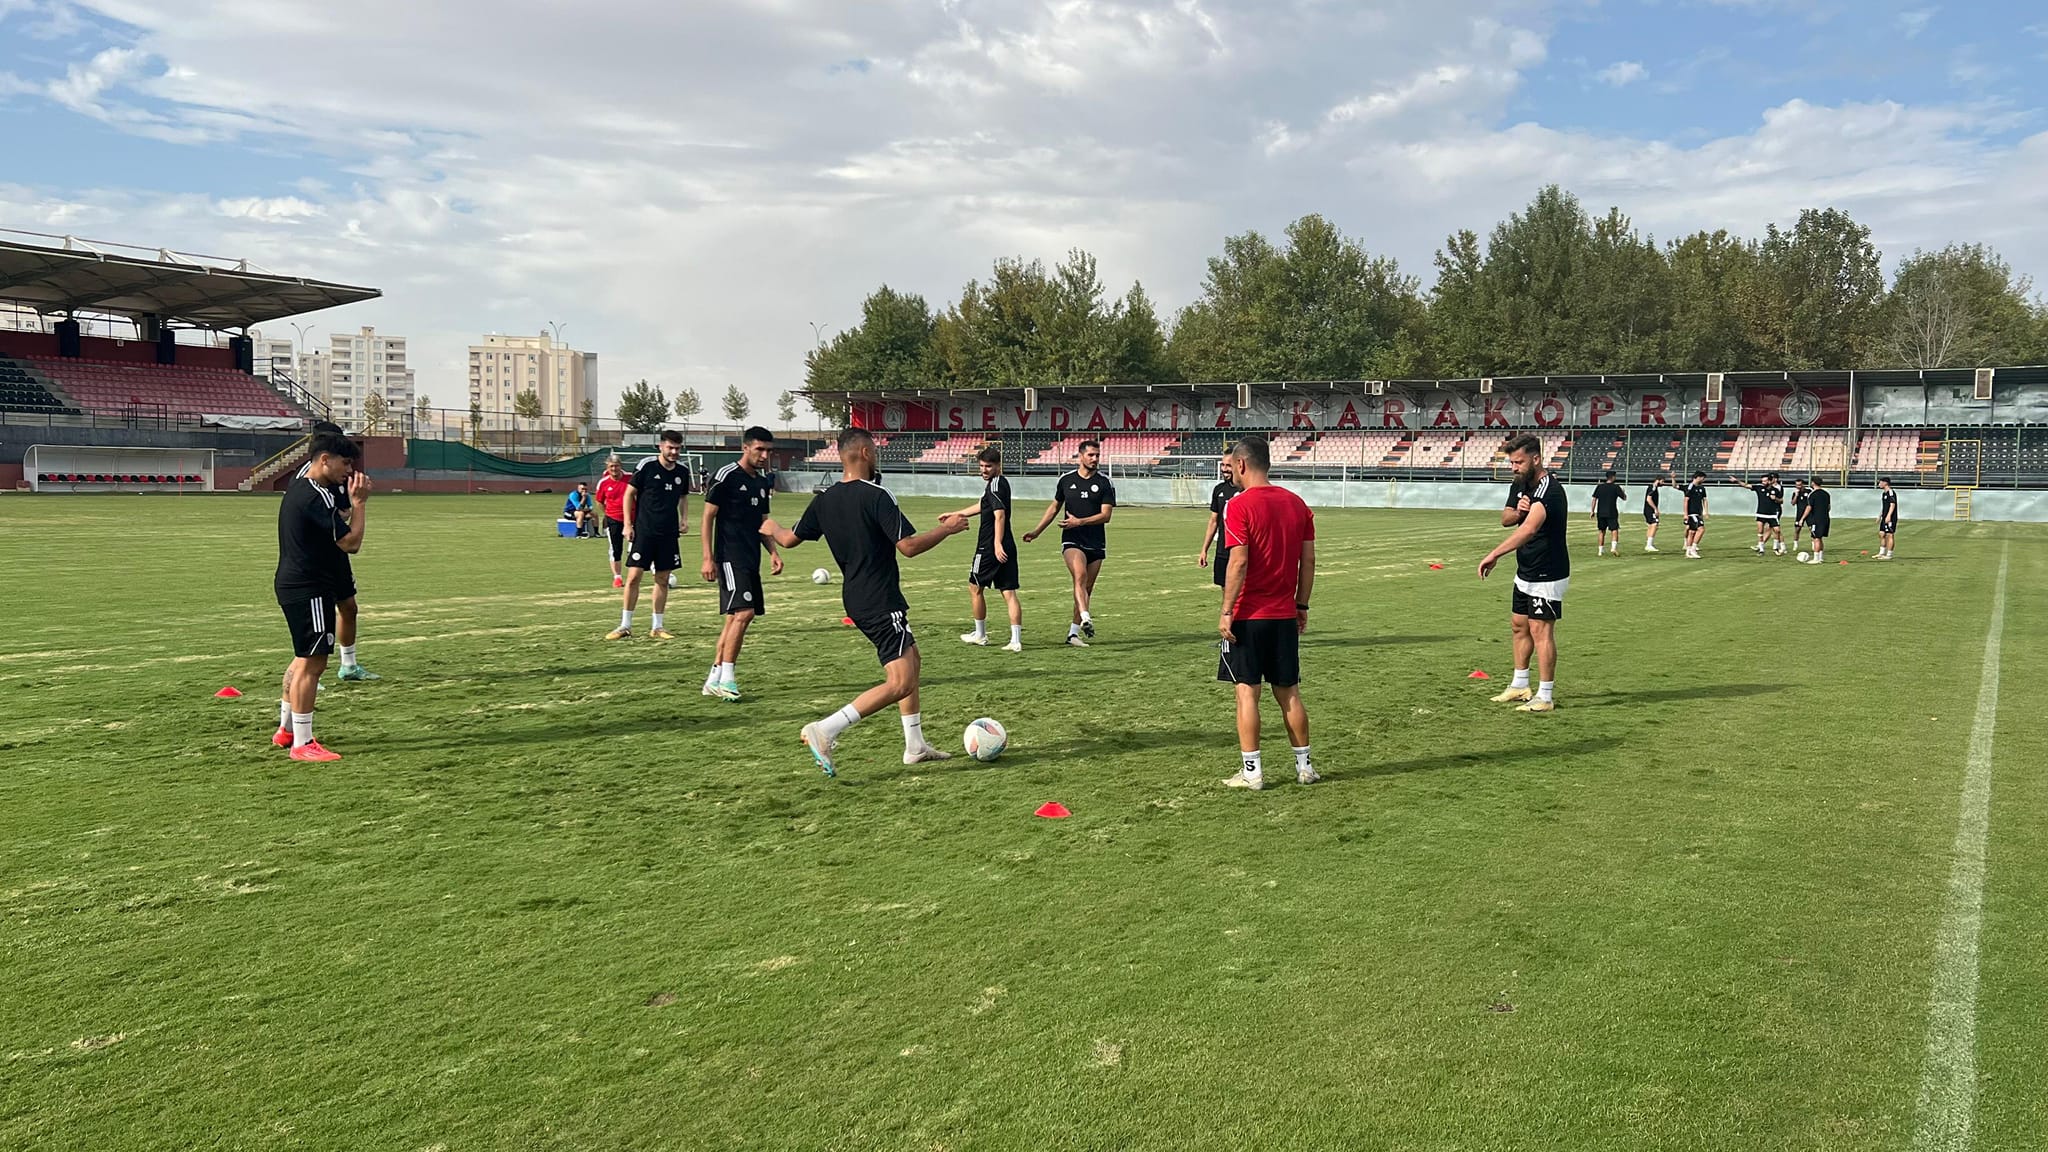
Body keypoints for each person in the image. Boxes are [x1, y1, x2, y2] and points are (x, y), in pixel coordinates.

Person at [760, 428, 970, 776]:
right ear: (866, 453)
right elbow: (909, 547)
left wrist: (771, 526)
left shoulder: (823, 499)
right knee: (900, 681)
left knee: (912, 660)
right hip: (879, 598)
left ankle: (915, 746)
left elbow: (791, 539)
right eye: (875, 450)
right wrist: (947, 529)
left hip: (857, 598)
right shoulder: (878, 496)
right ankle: (825, 730)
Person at [1214, 435, 1318, 791]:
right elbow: (1309, 562)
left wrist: (1226, 610)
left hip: (1248, 615)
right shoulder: (1297, 504)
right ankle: (1305, 766)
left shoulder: (1239, 506)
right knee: (1289, 692)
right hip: (1283, 615)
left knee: (1247, 692)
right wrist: (1300, 604)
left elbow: (1239, 561)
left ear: (1241, 465)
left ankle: (1252, 772)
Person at [271, 432, 368, 762]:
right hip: (308, 586)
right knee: (313, 664)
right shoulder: (316, 497)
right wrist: (359, 504)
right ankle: (303, 743)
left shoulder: (303, 488)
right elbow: (351, 543)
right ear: (324, 459)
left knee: (303, 658)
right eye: (345, 463)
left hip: (299, 583)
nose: (348, 470)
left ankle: (286, 730)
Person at [1478, 432, 1568, 713]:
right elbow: (1507, 519)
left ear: (1536, 459)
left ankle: (1545, 695)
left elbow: (1529, 531)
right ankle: (1519, 685)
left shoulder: (1548, 491)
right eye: (1511, 462)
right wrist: (1518, 511)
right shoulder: (1520, 485)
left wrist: (1494, 554)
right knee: (1519, 625)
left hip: (1548, 572)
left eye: (1518, 462)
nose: (1514, 467)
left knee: (1541, 630)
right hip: (1526, 569)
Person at [698, 427, 783, 700]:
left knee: (736, 619)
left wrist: (773, 553)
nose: (764, 455)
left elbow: (763, 523)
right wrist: (708, 558)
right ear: (745, 448)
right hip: (728, 557)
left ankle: (714, 677)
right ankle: (728, 679)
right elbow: (707, 518)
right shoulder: (725, 477)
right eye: (759, 449)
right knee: (743, 614)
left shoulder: (761, 482)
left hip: (751, 559)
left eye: (768, 450)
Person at [296, 420, 377, 681]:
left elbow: (342, 510)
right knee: (315, 619)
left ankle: (349, 665)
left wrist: (341, 514)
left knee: (349, 606)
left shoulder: (340, 475)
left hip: (336, 550)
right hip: (314, 558)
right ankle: (305, 674)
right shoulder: (306, 481)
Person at [1023, 439, 1115, 647]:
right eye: (1091, 455)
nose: (1095, 459)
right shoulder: (1066, 480)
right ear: (1080, 456)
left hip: (1097, 543)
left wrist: (1080, 521)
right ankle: (1085, 617)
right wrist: (1037, 531)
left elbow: (1106, 515)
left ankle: (1073, 634)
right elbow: (1054, 508)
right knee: (1079, 577)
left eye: (1097, 455)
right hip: (1072, 540)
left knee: (1087, 588)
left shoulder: (1104, 482)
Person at [606, 429, 690, 640]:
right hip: (644, 531)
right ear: (661, 446)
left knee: (662, 579)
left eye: (677, 448)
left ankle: (658, 626)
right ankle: (625, 625)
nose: (674, 452)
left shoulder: (682, 471)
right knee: (633, 577)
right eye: (670, 447)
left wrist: (684, 518)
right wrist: (627, 524)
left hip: (668, 533)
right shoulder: (646, 466)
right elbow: (629, 494)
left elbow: (683, 497)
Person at [947, 446, 1023, 652]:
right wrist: (957, 514)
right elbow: (983, 505)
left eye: (988, 466)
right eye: (981, 466)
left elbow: (999, 515)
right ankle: (1016, 641)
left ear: (998, 466)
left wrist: (996, 544)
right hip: (1006, 544)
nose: (984, 470)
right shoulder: (997, 484)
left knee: (975, 587)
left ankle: (980, 634)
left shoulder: (996, 484)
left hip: (989, 547)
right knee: (1008, 591)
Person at [1198, 454, 1239, 604]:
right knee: (1225, 590)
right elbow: (1213, 521)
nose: (1224, 469)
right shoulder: (1219, 490)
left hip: (1242, 550)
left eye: (1228, 465)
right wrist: (1204, 550)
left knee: (1244, 590)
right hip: (1223, 549)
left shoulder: (1247, 490)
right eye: (1223, 465)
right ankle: (1230, 620)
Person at [1730, 472, 1787, 555]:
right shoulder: (1759, 487)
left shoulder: (1775, 490)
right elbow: (1746, 485)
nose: (1763, 482)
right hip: (1761, 513)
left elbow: (1781, 501)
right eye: (1762, 481)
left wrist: (1776, 499)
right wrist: (1736, 481)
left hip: (1772, 514)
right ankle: (1761, 549)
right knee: (1760, 531)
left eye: (1765, 481)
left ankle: (1775, 548)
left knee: (1777, 530)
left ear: (1770, 481)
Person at [595, 456, 630, 587]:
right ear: (607, 468)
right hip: (614, 519)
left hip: (633, 519)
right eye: (611, 466)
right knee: (616, 548)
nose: (614, 469)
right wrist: (609, 514)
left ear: (621, 466)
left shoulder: (630, 479)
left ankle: (654, 571)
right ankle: (617, 577)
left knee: (640, 546)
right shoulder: (603, 483)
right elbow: (599, 501)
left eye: (616, 466)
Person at [1589, 470, 1626, 557]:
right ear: (1613, 477)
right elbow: (1624, 498)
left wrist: (1592, 511)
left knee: (1601, 531)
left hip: (1601, 512)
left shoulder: (1600, 487)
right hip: (1611, 512)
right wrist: (1623, 492)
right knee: (1614, 530)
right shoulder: (1616, 487)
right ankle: (1613, 547)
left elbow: (1594, 499)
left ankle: (1600, 551)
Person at [1798, 475, 1833, 564]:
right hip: (1825, 518)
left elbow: (1809, 507)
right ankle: (1820, 558)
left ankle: (1816, 558)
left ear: (1813, 483)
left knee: (1816, 538)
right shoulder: (1826, 494)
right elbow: (1829, 507)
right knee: (1820, 538)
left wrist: (1802, 518)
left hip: (1816, 519)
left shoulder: (1812, 494)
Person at [1682, 470, 1709, 559]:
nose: (1703, 480)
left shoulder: (1702, 488)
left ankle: (1688, 552)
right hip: (1692, 513)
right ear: (1699, 477)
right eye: (1703, 478)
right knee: (1701, 529)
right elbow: (1686, 500)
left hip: (1698, 513)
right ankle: (1693, 549)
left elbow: (1704, 500)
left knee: (1692, 532)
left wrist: (1705, 511)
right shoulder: (1690, 487)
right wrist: (1686, 514)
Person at [1642, 475, 1667, 553]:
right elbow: (1649, 499)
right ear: (1658, 480)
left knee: (1651, 525)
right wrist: (1655, 509)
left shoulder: (1653, 487)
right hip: (1650, 510)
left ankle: (1648, 544)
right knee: (1654, 524)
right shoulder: (1653, 487)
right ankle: (1649, 545)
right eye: (1662, 481)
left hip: (1647, 510)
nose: (1663, 483)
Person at [1877, 477, 1899, 559]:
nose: (1879, 484)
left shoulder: (1891, 492)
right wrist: (1880, 515)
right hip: (1884, 517)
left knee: (1890, 535)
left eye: (1880, 482)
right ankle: (1881, 553)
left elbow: (1892, 505)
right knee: (1881, 534)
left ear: (1885, 483)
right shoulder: (1884, 493)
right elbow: (1885, 506)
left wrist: (1889, 516)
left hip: (1890, 518)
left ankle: (1889, 555)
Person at [1789, 479, 1812, 552]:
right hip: (1799, 514)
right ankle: (1795, 545)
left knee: (1812, 529)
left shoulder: (1809, 491)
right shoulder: (1795, 493)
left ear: (1803, 485)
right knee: (1797, 530)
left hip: (1810, 513)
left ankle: (1813, 545)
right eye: (1796, 485)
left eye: (1799, 485)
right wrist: (1796, 495)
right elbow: (1793, 503)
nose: (1798, 486)